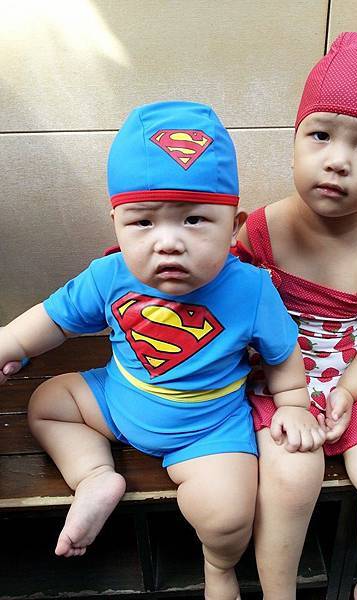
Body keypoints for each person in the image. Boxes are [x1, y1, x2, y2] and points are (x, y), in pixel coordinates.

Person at [0, 100, 326, 600]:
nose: (168, 242)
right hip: (116, 400)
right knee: (47, 403)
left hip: (207, 428)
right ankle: (94, 476)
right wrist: (9, 346)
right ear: (116, 222)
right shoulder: (108, 276)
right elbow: (42, 325)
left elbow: (283, 356)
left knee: (228, 515)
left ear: (233, 226)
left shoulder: (251, 290)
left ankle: (218, 566)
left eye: (194, 220)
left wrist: (294, 404)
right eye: (143, 222)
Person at [237, 32, 357, 600]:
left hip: (353, 375)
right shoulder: (261, 230)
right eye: (320, 135)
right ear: (295, 142)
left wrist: (350, 386)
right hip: (275, 376)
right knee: (293, 479)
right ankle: (278, 593)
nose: (338, 161)